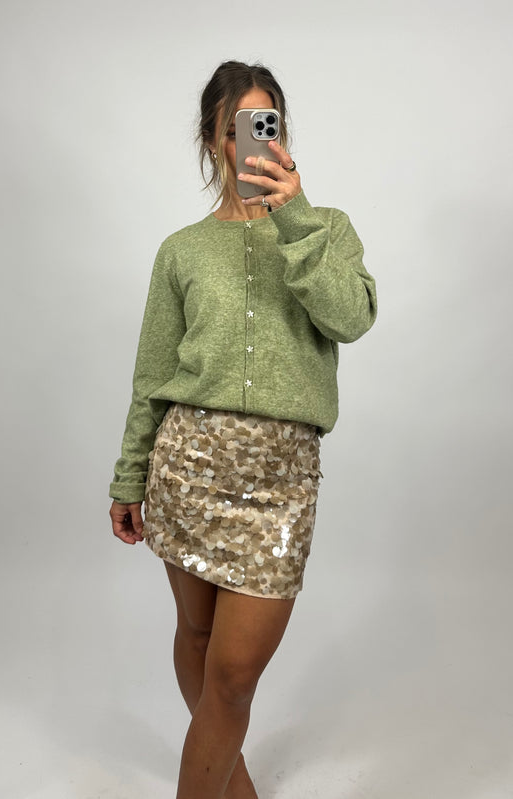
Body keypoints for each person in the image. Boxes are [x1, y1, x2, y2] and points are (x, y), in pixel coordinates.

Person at [109, 60, 377, 799]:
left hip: (279, 485)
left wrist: (294, 216)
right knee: (198, 639)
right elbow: (153, 374)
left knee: (232, 675)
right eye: (237, 129)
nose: (254, 142)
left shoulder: (325, 229)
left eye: (267, 125)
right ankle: (237, 786)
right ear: (212, 139)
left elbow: (351, 318)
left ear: (281, 133)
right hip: (187, 469)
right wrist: (129, 476)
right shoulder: (181, 250)